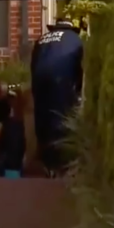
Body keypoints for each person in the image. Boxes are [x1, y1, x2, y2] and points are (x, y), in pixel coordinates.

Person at [30, 18, 84, 176]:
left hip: (39, 80)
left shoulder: (42, 39)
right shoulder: (75, 40)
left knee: (42, 116)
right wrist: (77, 90)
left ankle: (47, 162)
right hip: (62, 79)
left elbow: (33, 65)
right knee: (61, 117)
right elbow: (79, 67)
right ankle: (61, 163)